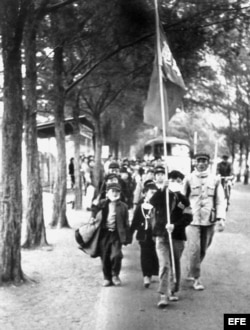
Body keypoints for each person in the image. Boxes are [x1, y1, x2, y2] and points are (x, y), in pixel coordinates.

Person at [150, 166, 193, 308]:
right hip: (162, 236)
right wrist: (163, 189)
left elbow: (188, 217)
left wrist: (175, 225)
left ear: (182, 183)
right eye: (172, 179)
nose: (175, 182)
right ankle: (163, 295)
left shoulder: (184, 200)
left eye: (178, 180)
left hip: (177, 237)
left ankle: (173, 289)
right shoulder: (162, 195)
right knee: (164, 264)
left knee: (175, 263)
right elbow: (152, 203)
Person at [183, 153, 226, 291]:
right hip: (192, 219)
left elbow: (220, 200)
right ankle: (196, 279)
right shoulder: (188, 179)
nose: (201, 163)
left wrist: (221, 218)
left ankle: (192, 268)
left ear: (208, 163)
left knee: (203, 248)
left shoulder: (215, 179)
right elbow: (181, 199)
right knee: (194, 249)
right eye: (199, 161)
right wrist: (178, 217)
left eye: (204, 161)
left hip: (209, 219)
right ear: (194, 162)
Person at [91, 182, 130, 287]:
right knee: (105, 256)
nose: (115, 193)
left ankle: (115, 275)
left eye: (117, 191)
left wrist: (127, 237)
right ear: (107, 193)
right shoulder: (102, 203)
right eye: (112, 191)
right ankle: (107, 278)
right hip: (104, 233)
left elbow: (126, 223)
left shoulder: (123, 206)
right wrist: (93, 215)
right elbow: (94, 210)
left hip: (116, 234)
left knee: (116, 255)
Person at [130, 180, 159, 288]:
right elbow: (135, 221)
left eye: (155, 192)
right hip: (144, 235)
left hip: (156, 234)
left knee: (155, 254)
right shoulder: (141, 206)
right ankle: (146, 276)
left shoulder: (158, 206)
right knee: (145, 255)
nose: (153, 194)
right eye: (151, 192)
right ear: (145, 193)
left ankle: (154, 273)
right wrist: (129, 234)